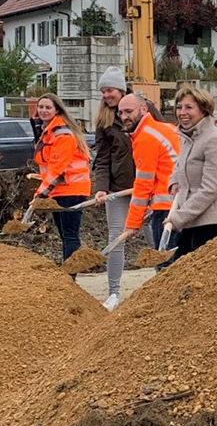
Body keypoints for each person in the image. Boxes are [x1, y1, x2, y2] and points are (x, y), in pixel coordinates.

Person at [91, 67, 157, 310]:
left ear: (120, 88)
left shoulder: (144, 107)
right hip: (118, 189)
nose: (105, 95)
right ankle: (114, 293)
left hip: (149, 186)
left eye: (108, 89)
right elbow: (102, 158)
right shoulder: (104, 119)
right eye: (102, 91)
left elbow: (164, 140)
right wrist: (101, 188)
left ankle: (165, 279)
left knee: (155, 233)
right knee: (116, 236)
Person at [165, 87, 217, 261]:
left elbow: (210, 189)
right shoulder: (188, 136)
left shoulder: (214, 140)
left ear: (203, 110)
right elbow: (182, 163)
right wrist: (175, 180)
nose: (182, 113)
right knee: (178, 267)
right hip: (194, 215)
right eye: (179, 107)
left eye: (189, 107)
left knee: (195, 270)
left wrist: (178, 218)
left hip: (212, 219)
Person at [118, 93, 181, 254]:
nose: (124, 117)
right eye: (121, 113)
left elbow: (143, 184)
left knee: (165, 266)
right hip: (185, 205)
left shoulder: (145, 139)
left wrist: (132, 223)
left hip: (166, 209)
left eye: (128, 111)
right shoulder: (167, 127)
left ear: (144, 109)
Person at [32, 93, 92, 264]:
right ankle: (69, 273)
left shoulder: (62, 134)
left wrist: (40, 193)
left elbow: (58, 168)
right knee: (65, 235)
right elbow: (49, 166)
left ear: (56, 110)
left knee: (70, 235)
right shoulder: (47, 131)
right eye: (41, 107)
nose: (43, 110)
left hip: (71, 189)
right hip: (59, 190)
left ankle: (71, 276)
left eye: (48, 107)